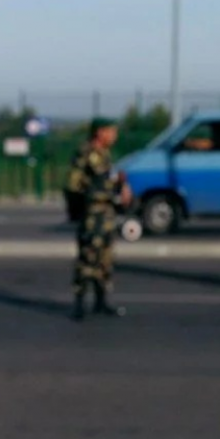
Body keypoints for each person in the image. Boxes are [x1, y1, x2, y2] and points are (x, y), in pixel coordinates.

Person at [64, 117, 132, 321]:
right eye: (111, 131)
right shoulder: (86, 153)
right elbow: (73, 185)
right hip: (92, 214)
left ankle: (101, 301)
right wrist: (81, 207)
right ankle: (79, 303)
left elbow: (108, 180)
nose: (114, 136)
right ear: (100, 132)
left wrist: (121, 186)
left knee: (105, 259)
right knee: (88, 257)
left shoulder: (105, 154)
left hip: (107, 213)